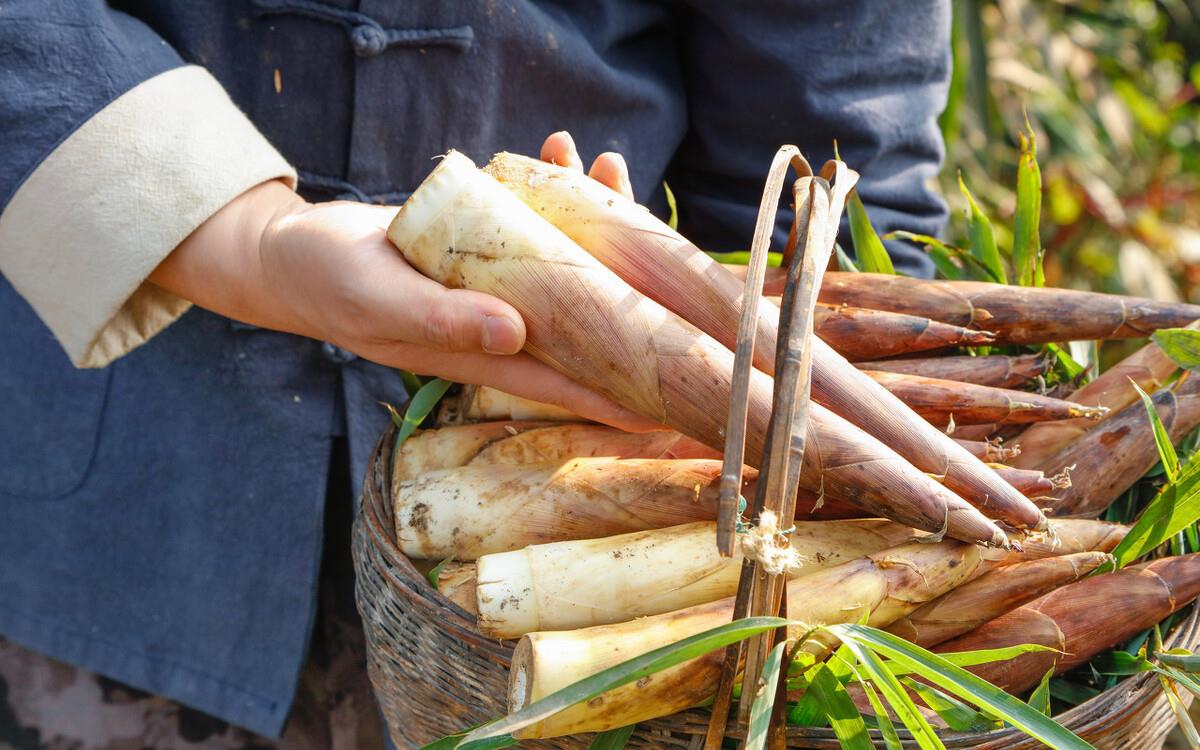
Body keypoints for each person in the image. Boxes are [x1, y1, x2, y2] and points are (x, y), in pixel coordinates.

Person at [0, 1, 951, 747]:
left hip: (625, 574)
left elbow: (837, 107)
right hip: (111, 519)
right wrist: (249, 241)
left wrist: (827, 484)